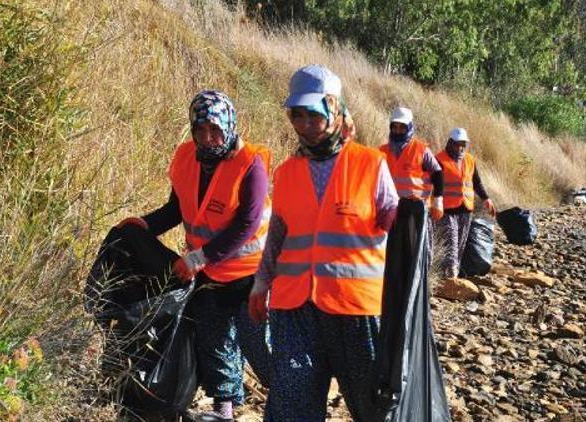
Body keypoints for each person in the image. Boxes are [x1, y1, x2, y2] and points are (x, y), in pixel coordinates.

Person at [248, 64, 398, 421]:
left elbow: (400, 230)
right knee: (290, 402)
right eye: (296, 116)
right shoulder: (286, 173)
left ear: (334, 109)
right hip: (295, 306)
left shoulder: (371, 164)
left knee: (373, 407)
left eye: (312, 115)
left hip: (356, 309)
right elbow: (277, 237)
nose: (304, 126)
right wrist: (260, 284)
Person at [117, 90, 271, 421]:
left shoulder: (251, 165)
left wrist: (197, 259)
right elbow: (177, 208)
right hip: (210, 276)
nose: (208, 138)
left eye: (215, 129)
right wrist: (144, 224)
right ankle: (224, 410)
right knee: (214, 341)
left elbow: (247, 224)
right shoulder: (188, 157)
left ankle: (291, 402)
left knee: (261, 346)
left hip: (251, 276)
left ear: (230, 125)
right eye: (200, 130)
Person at [379, 106, 444, 259]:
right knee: (392, 252)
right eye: (394, 127)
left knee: (416, 253)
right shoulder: (382, 151)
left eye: (402, 127)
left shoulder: (421, 150)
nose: (397, 131)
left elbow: (438, 172)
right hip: (391, 208)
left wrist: (438, 201)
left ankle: (418, 282)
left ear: (409, 128)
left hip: (416, 210)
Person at [435, 128, 495, 279]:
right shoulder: (439, 160)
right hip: (446, 211)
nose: (460, 147)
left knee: (460, 245)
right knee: (451, 244)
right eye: (457, 144)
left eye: (463, 144)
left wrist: (486, 198)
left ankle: (451, 275)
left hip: (465, 210)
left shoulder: (469, 160)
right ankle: (448, 279)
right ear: (450, 143)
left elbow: (477, 182)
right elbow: (432, 185)